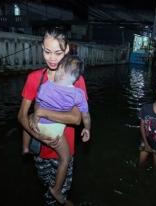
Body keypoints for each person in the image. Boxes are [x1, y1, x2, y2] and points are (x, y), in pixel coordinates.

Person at [18, 29, 88, 206]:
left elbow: (76, 119)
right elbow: (21, 116)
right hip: (40, 150)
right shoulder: (34, 78)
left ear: (66, 51)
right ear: (42, 48)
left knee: (56, 196)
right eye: (47, 52)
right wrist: (38, 136)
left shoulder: (76, 80)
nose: (52, 58)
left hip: (64, 148)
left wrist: (42, 113)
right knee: (47, 188)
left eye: (58, 53)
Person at [32, 55, 91, 204]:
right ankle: (56, 189)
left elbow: (37, 104)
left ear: (61, 71)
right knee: (65, 159)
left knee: (30, 118)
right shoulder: (78, 94)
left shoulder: (46, 86)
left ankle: (26, 146)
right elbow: (85, 116)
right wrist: (87, 129)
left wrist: (36, 116)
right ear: (75, 78)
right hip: (55, 132)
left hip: (39, 126)